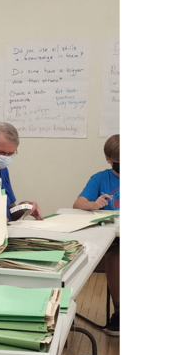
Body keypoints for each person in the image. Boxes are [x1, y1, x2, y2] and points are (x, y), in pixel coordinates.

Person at [74, 133, 119, 333]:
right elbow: (78, 204)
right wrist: (94, 204)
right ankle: (120, 311)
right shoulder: (100, 178)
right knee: (116, 257)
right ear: (108, 160)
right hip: (115, 238)